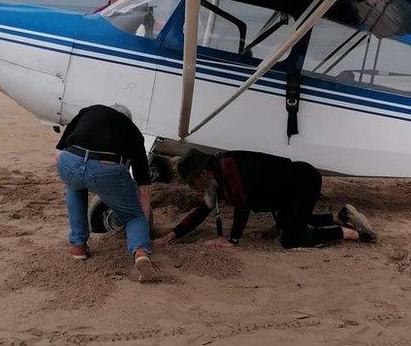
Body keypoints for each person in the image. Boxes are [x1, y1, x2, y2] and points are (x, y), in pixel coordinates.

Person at [153, 149, 376, 250]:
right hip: (285, 194)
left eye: (192, 183)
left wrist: (232, 240)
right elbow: (201, 212)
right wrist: (171, 236)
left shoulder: (228, 165)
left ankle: (352, 233)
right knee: (287, 224)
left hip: (303, 183)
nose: (193, 188)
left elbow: (243, 203)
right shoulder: (215, 178)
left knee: (290, 239)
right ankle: (340, 216)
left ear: (202, 174)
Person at [55, 103, 158, 282]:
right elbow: (143, 190)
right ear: (127, 120)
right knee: (134, 215)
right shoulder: (132, 132)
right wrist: (144, 224)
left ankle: (78, 246)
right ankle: (140, 252)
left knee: (74, 185)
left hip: (69, 162)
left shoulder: (89, 110)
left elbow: (59, 152)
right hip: (106, 169)